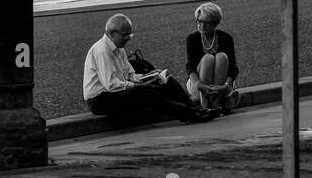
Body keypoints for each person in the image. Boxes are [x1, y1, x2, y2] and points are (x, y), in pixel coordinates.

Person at [84, 14, 220, 125]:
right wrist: (139, 85)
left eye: (130, 35)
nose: (128, 39)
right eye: (125, 35)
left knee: (166, 80)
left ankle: (196, 109)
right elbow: (111, 85)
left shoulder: (118, 48)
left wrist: (149, 76)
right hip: (101, 100)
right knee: (144, 92)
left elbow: (129, 74)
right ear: (112, 33)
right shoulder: (102, 51)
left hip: (115, 92)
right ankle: (190, 115)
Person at [186, 3, 240, 114]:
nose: (202, 26)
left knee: (221, 57)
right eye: (199, 21)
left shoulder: (226, 38)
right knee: (208, 58)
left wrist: (225, 86)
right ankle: (205, 103)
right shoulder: (192, 39)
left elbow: (233, 68)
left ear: (216, 23)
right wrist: (200, 86)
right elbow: (190, 67)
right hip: (198, 85)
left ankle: (216, 103)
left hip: (223, 86)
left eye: (207, 23)